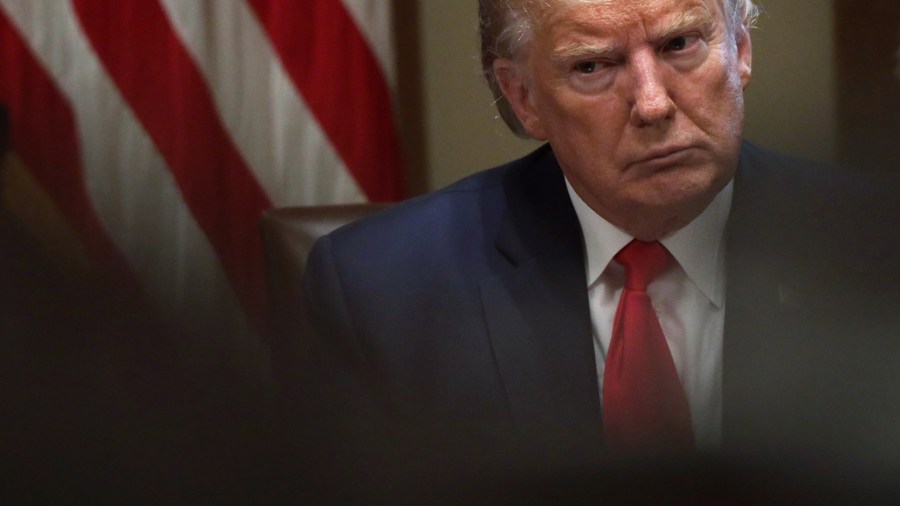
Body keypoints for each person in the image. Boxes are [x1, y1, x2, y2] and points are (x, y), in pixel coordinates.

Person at [300, 0, 900, 500]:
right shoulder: (381, 291)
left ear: (740, 48)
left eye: (680, 45)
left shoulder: (874, 252)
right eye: (591, 66)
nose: (654, 104)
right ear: (524, 98)